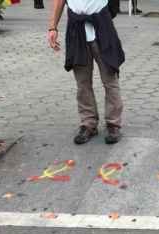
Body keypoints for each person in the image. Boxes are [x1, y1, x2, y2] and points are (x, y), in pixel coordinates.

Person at [47, 0, 125, 145]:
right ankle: (88, 123)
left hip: (101, 27)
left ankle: (113, 124)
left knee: (110, 80)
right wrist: (52, 27)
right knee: (82, 83)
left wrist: (105, 15)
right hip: (77, 30)